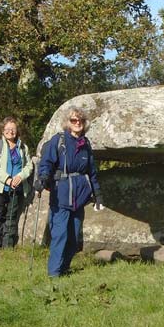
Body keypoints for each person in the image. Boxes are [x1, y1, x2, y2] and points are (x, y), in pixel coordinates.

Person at [35, 107, 103, 277]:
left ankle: (64, 268)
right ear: (68, 122)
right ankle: (54, 273)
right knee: (60, 235)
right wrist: (43, 179)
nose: (77, 122)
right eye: (73, 120)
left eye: (80, 120)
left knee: (73, 238)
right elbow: (47, 163)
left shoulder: (85, 144)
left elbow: (92, 172)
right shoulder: (59, 141)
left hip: (80, 197)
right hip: (61, 195)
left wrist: (98, 195)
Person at [0, 117, 34, 252]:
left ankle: (8, 247)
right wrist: (7, 179)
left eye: (13, 129)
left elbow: (29, 165)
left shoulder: (23, 147)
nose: (10, 132)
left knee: (11, 216)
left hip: (17, 187)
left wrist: (20, 176)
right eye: (7, 129)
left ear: (17, 131)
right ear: (2, 130)